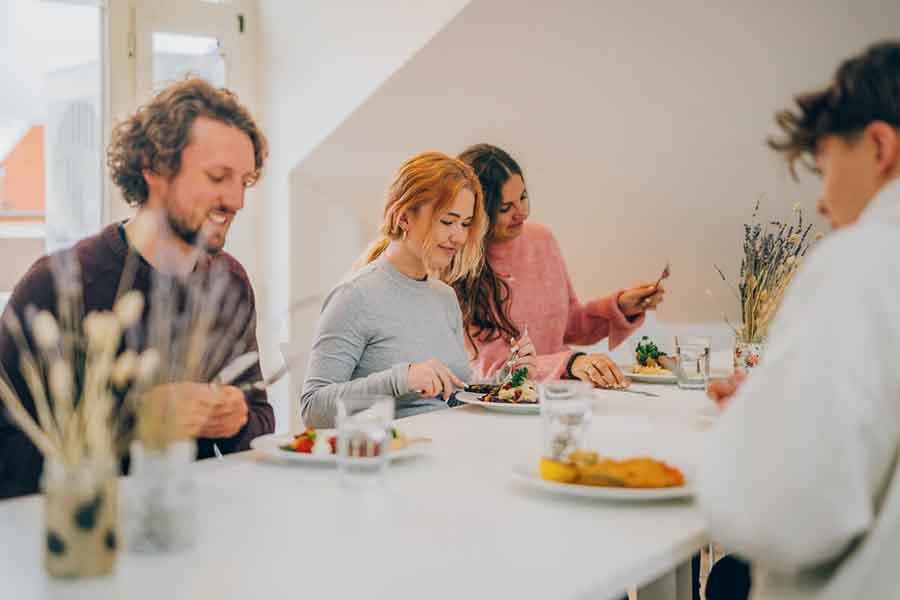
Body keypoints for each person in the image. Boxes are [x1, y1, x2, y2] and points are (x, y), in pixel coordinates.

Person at [0, 78, 274, 499]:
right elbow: (7, 453)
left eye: (245, 181)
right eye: (218, 176)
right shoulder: (57, 285)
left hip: (189, 533)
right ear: (152, 167)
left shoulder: (229, 282)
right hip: (80, 541)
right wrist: (132, 424)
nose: (236, 199)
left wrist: (237, 418)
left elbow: (259, 419)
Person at [699, 40, 900, 599]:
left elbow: (786, 517)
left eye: (824, 166)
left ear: (880, 145)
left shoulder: (864, 260)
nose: (821, 199)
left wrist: (754, 427)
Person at [300, 152, 487, 427]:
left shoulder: (445, 297)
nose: (459, 237)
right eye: (447, 221)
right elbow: (313, 409)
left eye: (465, 224)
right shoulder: (355, 296)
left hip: (449, 451)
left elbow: (452, 399)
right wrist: (402, 379)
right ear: (403, 217)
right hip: (387, 459)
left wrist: (510, 384)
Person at [453, 144, 665, 387]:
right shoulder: (460, 266)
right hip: (503, 404)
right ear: (480, 213)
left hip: (559, 395)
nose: (521, 213)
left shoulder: (542, 239)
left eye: (522, 198)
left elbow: (570, 325)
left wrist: (620, 307)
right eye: (505, 208)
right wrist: (570, 363)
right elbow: (492, 367)